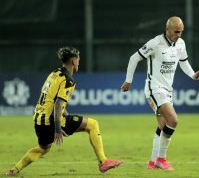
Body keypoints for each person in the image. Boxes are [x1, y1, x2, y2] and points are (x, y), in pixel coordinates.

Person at [6, 47, 123, 176]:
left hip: (39, 119)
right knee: (93, 124)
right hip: (52, 119)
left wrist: (66, 119)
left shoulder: (54, 74)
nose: (78, 63)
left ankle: (13, 170)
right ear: (73, 61)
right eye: (78, 60)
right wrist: (58, 129)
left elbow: (53, 100)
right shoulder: (68, 80)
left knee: (43, 148)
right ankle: (103, 161)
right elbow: (58, 105)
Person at [121, 16, 199, 170]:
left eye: (181, 32)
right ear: (167, 29)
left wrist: (193, 75)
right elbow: (134, 58)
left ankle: (152, 162)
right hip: (154, 88)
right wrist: (128, 80)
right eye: (176, 31)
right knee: (173, 120)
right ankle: (161, 159)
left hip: (167, 90)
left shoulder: (181, 43)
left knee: (163, 126)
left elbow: (184, 62)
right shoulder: (155, 43)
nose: (179, 35)